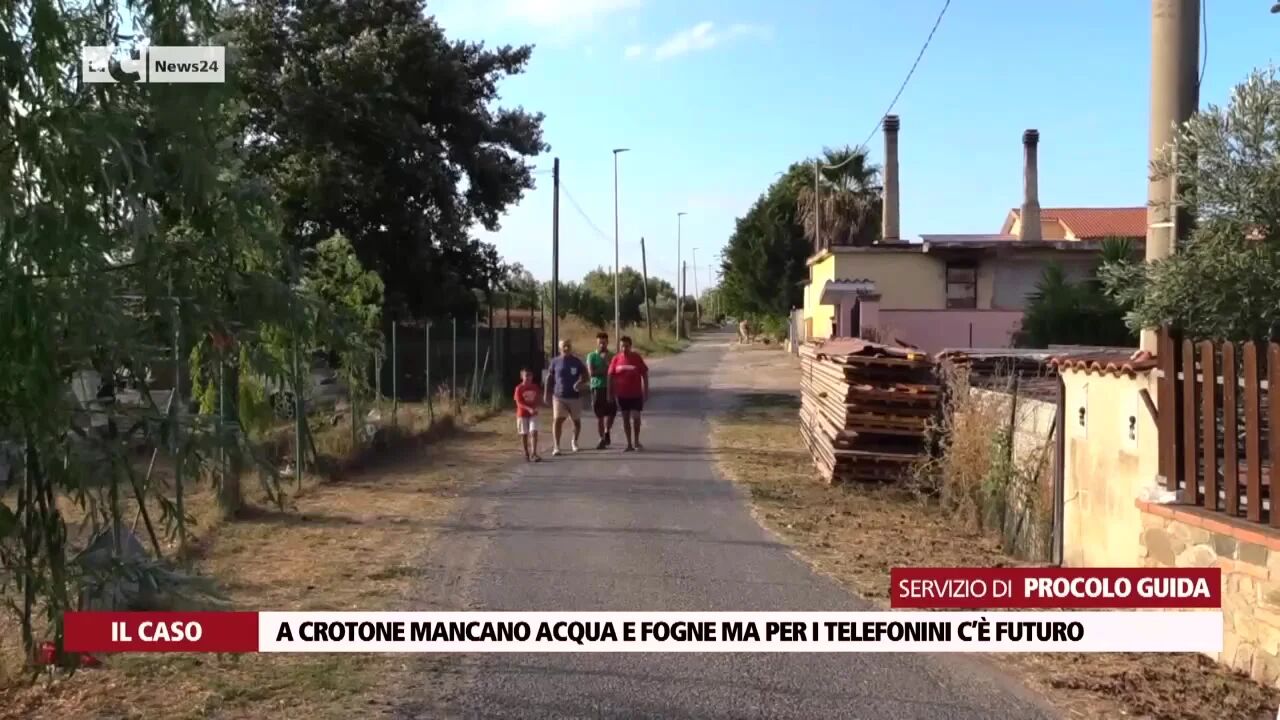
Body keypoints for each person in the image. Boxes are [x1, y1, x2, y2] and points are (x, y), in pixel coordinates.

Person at [545, 338, 588, 455]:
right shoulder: (555, 362)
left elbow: (586, 376)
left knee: (576, 421)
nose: (566, 348)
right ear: (560, 348)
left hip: (574, 396)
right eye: (564, 346)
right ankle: (556, 446)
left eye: (568, 346)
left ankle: (574, 441)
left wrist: (579, 383)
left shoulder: (577, 362)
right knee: (557, 420)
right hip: (559, 396)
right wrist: (546, 394)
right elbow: (549, 378)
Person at [607, 335, 649, 452]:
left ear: (630, 346)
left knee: (636, 417)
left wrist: (646, 390)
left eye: (626, 346)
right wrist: (609, 393)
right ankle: (629, 443)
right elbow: (610, 376)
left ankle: (636, 441)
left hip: (636, 394)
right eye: (622, 346)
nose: (624, 348)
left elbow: (644, 374)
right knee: (625, 419)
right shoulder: (616, 359)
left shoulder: (636, 357)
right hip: (622, 395)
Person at [585, 332, 616, 449]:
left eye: (604, 342)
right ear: (597, 343)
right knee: (600, 415)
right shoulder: (591, 356)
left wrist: (605, 368)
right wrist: (605, 367)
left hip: (610, 387)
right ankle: (602, 438)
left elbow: (614, 372)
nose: (602, 345)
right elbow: (592, 373)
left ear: (607, 342)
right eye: (600, 343)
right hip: (597, 388)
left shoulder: (612, 356)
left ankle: (607, 431)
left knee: (612, 413)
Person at [513, 368, 542, 462]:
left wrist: (535, 407)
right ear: (522, 377)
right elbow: (519, 402)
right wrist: (528, 409)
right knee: (524, 434)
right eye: (526, 376)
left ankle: (534, 453)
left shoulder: (535, 387)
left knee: (533, 432)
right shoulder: (519, 388)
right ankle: (526, 453)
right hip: (522, 414)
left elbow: (538, 399)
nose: (528, 378)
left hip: (533, 413)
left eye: (530, 375)